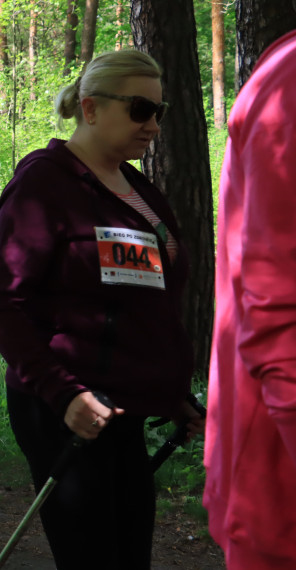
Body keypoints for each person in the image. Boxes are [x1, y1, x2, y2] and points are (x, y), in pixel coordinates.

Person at [0, 48, 203, 569]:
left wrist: (171, 396)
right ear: (92, 108)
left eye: (160, 112)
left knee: (129, 556)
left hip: (122, 409)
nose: (153, 125)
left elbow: (147, 305)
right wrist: (64, 393)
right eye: (140, 109)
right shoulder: (45, 183)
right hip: (65, 410)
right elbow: (1, 306)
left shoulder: (139, 189)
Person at [205, 29, 296, 569]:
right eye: (140, 107)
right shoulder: (287, 83)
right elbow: (276, 304)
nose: (152, 124)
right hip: (279, 499)